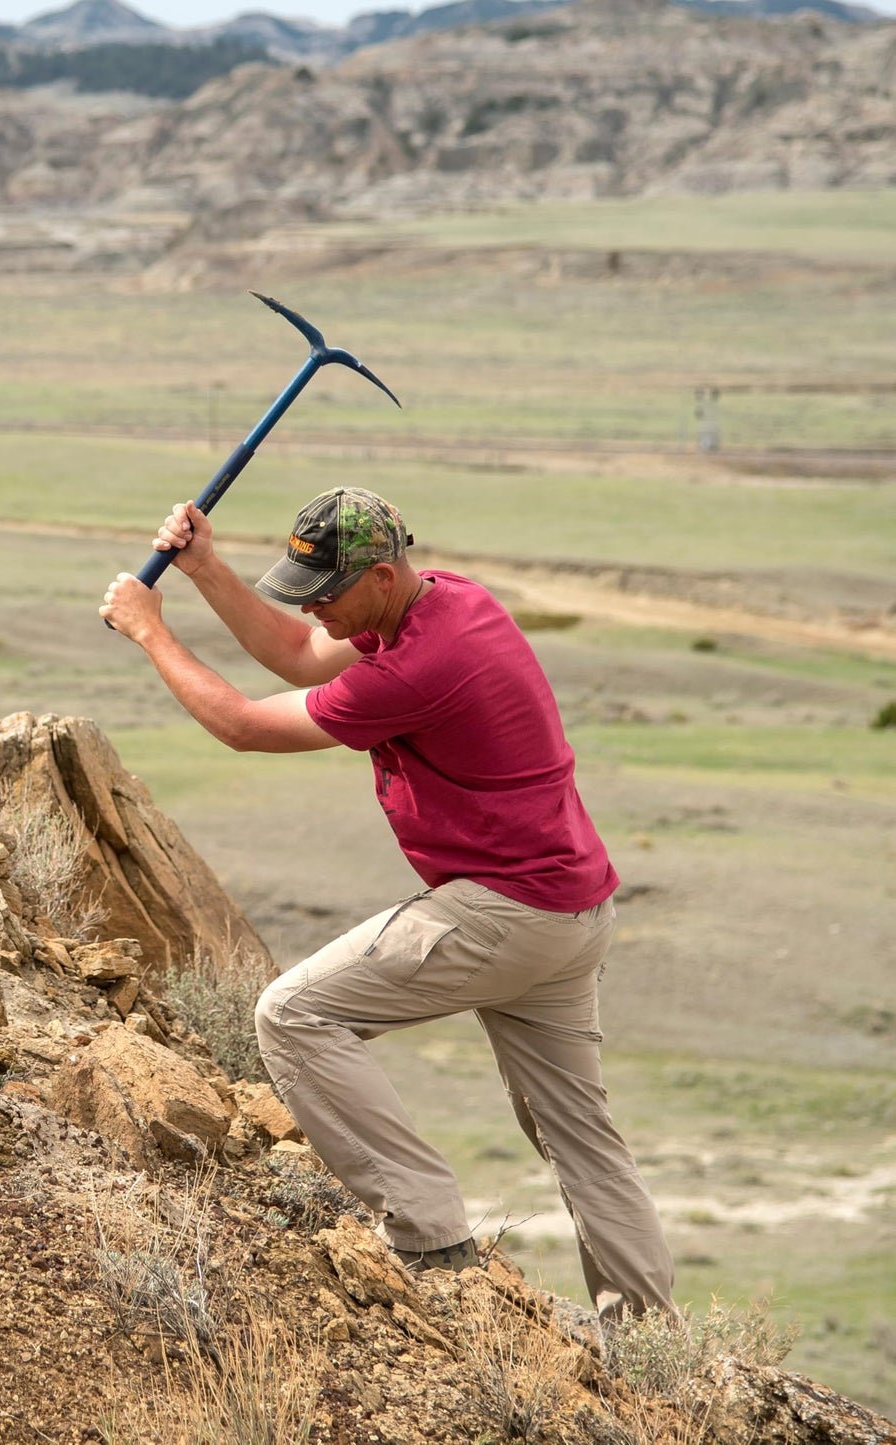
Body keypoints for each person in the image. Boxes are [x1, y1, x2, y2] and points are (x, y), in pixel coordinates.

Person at [99, 486, 674, 1320]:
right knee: (581, 1141)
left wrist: (150, 629)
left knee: (292, 1014)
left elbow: (247, 726)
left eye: (327, 592)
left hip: (506, 914)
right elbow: (300, 654)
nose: (317, 611)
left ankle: (425, 1231)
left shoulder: (417, 668)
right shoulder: (447, 601)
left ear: (378, 574)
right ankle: (650, 1342)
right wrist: (205, 570)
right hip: (569, 912)